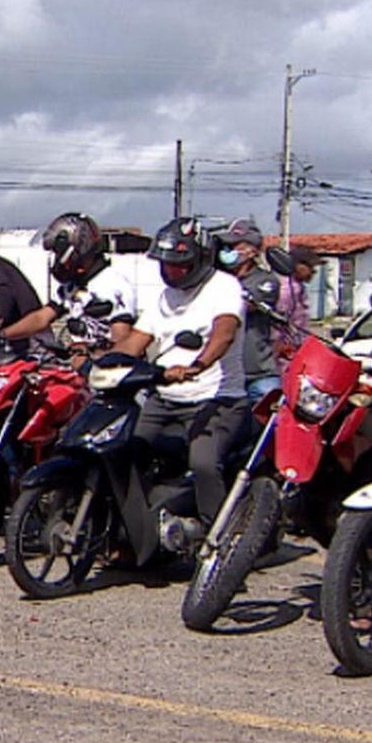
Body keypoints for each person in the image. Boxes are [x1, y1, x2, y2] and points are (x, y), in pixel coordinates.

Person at [113, 217, 247, 528]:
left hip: (216, 398)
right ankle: (134, 534)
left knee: (202, 463)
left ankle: (218, 542)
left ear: (199, 260)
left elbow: (224, 333)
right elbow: (137, 339)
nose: (171, 272)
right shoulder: (165, 296)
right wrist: (101, 364)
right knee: (124, 452)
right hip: (165, 397)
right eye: (166, 265)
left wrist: (197, 366)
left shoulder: (225, 287)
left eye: (180, 265)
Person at [0, 212, 139, 357]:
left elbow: (122, 337)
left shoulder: (113, 284)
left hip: (108, 370)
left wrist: (93, 350)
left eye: (59, 254)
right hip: (80, 365)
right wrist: (2, 335)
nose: (58, 261)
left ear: (80, 248)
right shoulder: (72, 287)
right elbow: (41, 318)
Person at [217, 219, 283, 403]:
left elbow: (244, 306)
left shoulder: (265, 281)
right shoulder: (218, 279)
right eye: (225, 246)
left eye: (233, 246)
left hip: (258, 372)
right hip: (224, 372)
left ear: (251, 251)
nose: (227, 251)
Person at [274, 247, 318, 359]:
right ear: (298, 266)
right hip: (284, 354)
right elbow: (277, 323)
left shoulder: (298, 288)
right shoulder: (287, 290)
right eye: (311, 268)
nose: (313, 272)